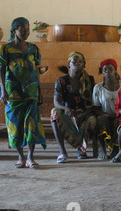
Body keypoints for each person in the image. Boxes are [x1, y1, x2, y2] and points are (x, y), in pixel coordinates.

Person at [0, 17, 46, 168]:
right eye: (22, 29)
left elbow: (36, 72)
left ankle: (30, 157)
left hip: (31, 92)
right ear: (14, 30)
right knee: (15, 124)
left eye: (27, 29)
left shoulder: (33, 48)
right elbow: (1, 70)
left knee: (32, 124)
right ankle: (20, 156)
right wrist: (3, 91)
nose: (26, 32)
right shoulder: (5, 49)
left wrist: (39, 91)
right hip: (13, 92)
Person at [51, 51, 97, 163]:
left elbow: (93, 101)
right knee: (55, 113)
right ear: (68, 65)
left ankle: (82, 150)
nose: (77, 63)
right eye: (74, 61)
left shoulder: (89, 80)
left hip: (85, 112)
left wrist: (85, 112)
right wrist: (65, 109)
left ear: (84, 65)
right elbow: (56, 102)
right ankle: (62, 152)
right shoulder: (61, 81)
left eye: (80, 61)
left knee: (92, 120)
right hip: (69, 113)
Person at [93, 59, 121, 159]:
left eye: (110, 68)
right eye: (105, 69)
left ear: (115, 70)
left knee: (120, 122)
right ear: (102, 72)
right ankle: (102, 149)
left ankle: (115, 150)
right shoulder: (98, 87)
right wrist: (105, 114)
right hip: (105, 115)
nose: (108, 71)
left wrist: (119, 114)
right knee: (101, 120)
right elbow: (96, 108)